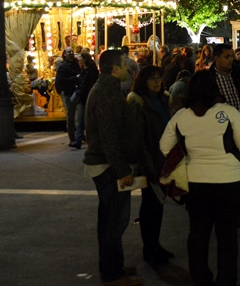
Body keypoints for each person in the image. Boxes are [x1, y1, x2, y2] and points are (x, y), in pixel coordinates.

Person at [160, 71, 240, 286]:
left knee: (198, 233)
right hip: (230, 182)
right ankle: (227, 280)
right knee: (227, 236)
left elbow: (164, 147)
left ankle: (200, 278)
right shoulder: (228, 112)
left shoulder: (181, 116)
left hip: (195, 183)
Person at [83, 49, 144, 286]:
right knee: (113, 221)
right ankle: (112, 273)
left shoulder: (106, 89)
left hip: (108, 164)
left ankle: (114, 266)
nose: (128, 68)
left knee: (113, 221)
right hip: (108, 167)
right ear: (114, 68)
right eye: (123, 64)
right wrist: (122, 169)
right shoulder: (107, 93)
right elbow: (110, 136)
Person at [127, 65, 173, 265]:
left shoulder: (163, 100)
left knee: (159, 205)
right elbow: (139, 140)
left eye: (158, 77)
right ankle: (149, 248)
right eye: (152, 78)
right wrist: (149, 167)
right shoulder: (138, 104)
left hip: (164, 160)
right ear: (143, 81)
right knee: (150, 207)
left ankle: (156, 244)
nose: (157, 81)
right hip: (150, 162)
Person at [209, 44, 240, 217]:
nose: (231, 59)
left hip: (237, 127)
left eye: (231, 56)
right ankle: (221, 205)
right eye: (227, 57)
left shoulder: (237, 72)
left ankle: (238, 203)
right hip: (218, 131)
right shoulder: (208, 78)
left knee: (237, 167)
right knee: (220, 169)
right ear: (216, 58)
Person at [55, 47, 81, 148]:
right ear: (64, 54)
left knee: (78, 115)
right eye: (68, 52)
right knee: (71, 115)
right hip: (68, 92)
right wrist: (76, 78)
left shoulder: (76, 64)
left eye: (72, 51)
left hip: (76, 92)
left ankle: (78, 134)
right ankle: (72, 137)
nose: (71, 53)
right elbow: (62, 80)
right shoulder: (63, 67)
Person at [73, 52, 100, 149]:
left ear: (85, 59)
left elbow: (91, 83)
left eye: (81, 58)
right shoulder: (83, 70)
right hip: (82, 97)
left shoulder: (92, 70)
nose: (79, 59)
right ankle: (78, 140)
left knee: (87, 119)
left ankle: (88, 139)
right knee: (80, 120)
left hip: (87, 96)